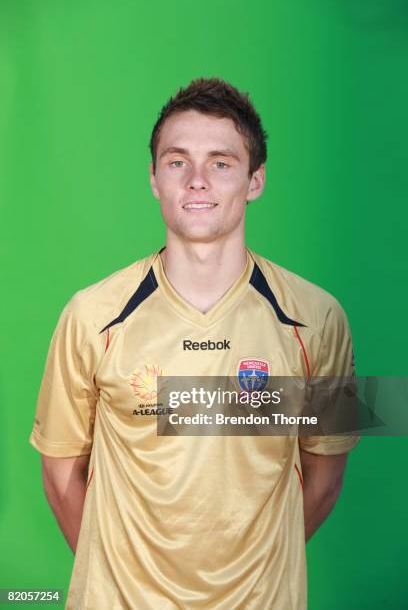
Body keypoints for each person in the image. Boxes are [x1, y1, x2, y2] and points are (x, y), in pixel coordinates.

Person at [29, 77, 359, 609]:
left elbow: (324, 479)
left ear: (255, 181)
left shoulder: (319, 320)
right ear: (155, 179)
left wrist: (254, 566)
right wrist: (122, 577)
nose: (197, 181)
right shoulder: (91, 315)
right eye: (177, 161)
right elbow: (60, 471)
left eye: (221, 163)